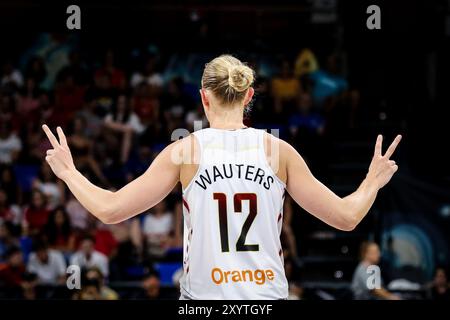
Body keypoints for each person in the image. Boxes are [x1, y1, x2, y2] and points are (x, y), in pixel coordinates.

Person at [41, 54, 402, 300]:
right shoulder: (278, 150)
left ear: (203, 98)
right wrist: (371, 180)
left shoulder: (185, 150)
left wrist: (70, 172)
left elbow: (111, 209)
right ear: (249, 96)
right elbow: (346, 216)